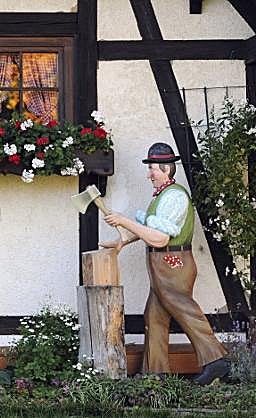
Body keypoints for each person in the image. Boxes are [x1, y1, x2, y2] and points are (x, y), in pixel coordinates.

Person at [101, 142, 229, 385]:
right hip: (162, 266)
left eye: (152, 169)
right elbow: (150, 229)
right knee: (154, 317)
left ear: (166, 169)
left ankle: (216, 360)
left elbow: (160, 239)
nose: (149, 174)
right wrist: (122, 241)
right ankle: (155, 372)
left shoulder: (175, 196)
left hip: (173, 264)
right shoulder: (163, 196)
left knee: (184, 310)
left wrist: (125, 221)